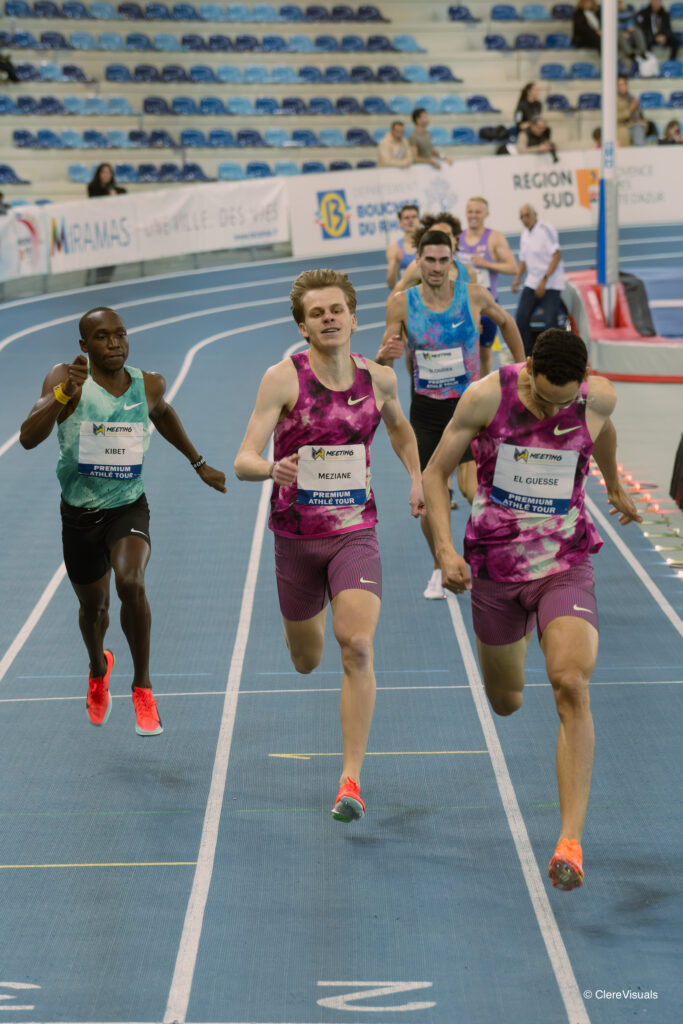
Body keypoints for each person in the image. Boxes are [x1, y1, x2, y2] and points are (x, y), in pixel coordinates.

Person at [422, 328, 642, 891]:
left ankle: (570, 840)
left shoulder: (598, 398)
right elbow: (435, 472)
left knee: (570, 681)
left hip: (564, 560)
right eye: (544, 398)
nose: (553, 409)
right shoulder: (486, 397)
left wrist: (612, 483)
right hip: (495, 570)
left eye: (564, 401)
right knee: (506, 702)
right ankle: (512, 645)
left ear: (583, 382)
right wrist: (445, 552)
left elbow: (602, 431)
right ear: (529, 369)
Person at [234, 268, 424, 823]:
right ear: (303, 326)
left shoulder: (379, 379)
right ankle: (309, 623)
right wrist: (274, 467)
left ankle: (351, 781)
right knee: (306, 658)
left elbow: (401, 430)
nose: (329, 318)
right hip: (295, 537)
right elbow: (244, 459)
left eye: (337, 309)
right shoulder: (282, 379)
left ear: (353, 316)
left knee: (357, 645)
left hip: (354, 532)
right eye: (317, 313)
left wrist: (415, 477)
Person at [19, 307, 227, 737]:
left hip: (127, 507)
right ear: (84, 346)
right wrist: (62, 395)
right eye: (101, 337)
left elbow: (163, 413)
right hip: (78, 515)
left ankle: (143, 686)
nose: (113, 343)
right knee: (94, 610)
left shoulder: (147, 383)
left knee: (131, 582)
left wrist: (199, 462)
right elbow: (27, 437)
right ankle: (98, 667)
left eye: (120, 335)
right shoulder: (65, 377)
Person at [377, 229, 524, 600]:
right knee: (430, 489)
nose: (437, 267)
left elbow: (505, 322)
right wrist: (384, 357)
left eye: (445, 260)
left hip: (474, 408)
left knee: (487, 488)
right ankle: (440, 561)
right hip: (426, 411)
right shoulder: (401, 304)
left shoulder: (473, 296)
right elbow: (385, 358)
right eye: (430, 260)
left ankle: (498, 553)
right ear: (419, 261)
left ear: (454, 260)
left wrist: (522, 369)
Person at [458, 196, 519, 378]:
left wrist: (486, 263)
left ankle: (483, 386)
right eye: (470, 211)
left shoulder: (494, 238)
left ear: (486, 214)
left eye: (478, 211)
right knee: (463, 351)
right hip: (463, 306)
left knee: (484, 353)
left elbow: (512, 267)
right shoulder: (458, 238)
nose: (473, 215)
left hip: (486, 305)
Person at [512, 205, 567, 357]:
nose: (524, 219)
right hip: (532, 281)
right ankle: (529, 354)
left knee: (550, 321)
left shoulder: (546, 230)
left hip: (551, 282)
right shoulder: (524, 235)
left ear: (535, 215)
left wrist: (544, 280)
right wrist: (517, 278)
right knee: (521, 318)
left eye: (527, 215)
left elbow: (556, 257)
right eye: (521, 216)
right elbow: (523, 260)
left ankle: (554, 354)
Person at [86, 163, 127, 286]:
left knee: (112, 257)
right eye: (103, 172)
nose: (106, 175)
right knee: (98, 258)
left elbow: (124, 194)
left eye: (109, 172)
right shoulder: (93, 188)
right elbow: (95, 199)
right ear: (99, 174)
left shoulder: (115, 189)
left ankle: (106, 280)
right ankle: (93, 281)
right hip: (98, 230)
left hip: (112, 230)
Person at [385, 203, 420, 290]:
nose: (410, 221)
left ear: (418, 220)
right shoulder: (394, 249)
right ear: (400, 223)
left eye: (414, 217)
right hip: (407, 298)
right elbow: (391, 285)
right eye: (406, 218)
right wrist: (396, 263)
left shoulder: (428, 245)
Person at [617, 74, 652, 145]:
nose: (622, 87)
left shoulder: (631, 97)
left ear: (627, 85)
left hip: (636, 123)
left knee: (639, 127)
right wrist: (630, 109)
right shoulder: (614, 99)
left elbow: (639, 113)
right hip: (623, 125)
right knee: (637, 129)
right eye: (619, 85)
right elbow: (616, 117)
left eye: (623, 84)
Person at [618, 0, 649, 69]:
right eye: (617, 3)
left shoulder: (628, 12)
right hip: (618, 42)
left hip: (629, 37)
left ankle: (642, 51)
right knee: (618, 33)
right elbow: (613, 27)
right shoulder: (609, 15)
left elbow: (631, 24)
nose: (619, 4)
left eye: (620, 2)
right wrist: (624, 31)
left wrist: (628, 31)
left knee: (637, 30)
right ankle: (630, 54)